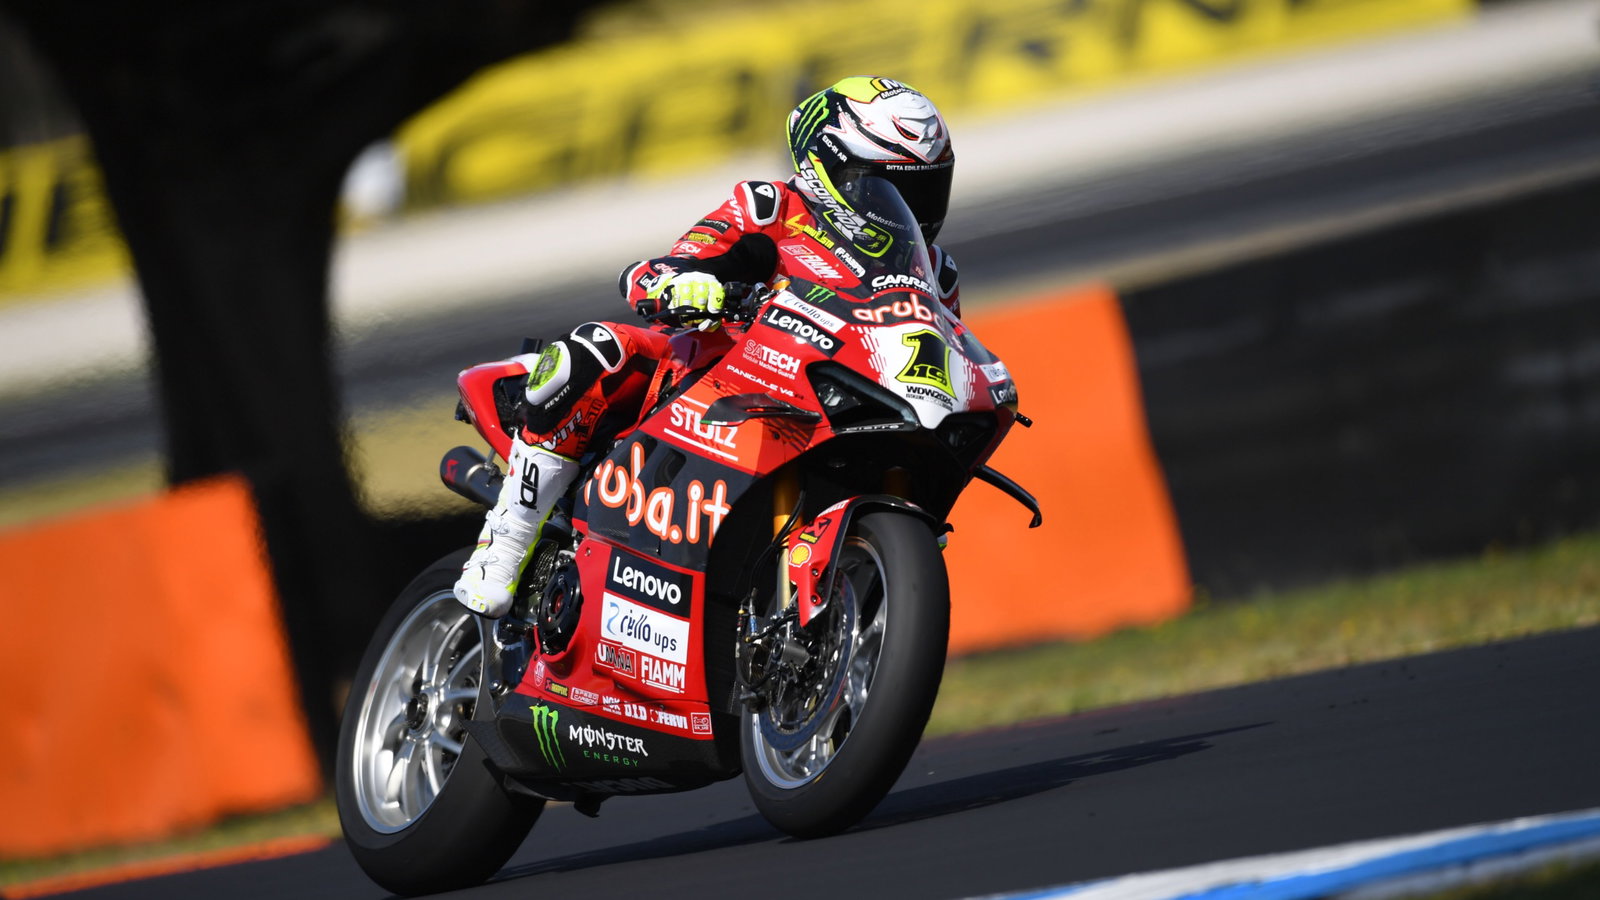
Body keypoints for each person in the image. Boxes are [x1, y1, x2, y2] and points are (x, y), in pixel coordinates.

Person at [454, 76, 962, 618]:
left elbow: (937, 347)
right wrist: (685, 282)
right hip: (707, 377)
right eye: (891, 186)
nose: (914, 207)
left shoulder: (935, 271)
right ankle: (505, 541)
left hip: (828, 407)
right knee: (594, 350)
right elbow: (671, 265)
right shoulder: (771, 207)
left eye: (928, 187)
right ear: (829, 170)